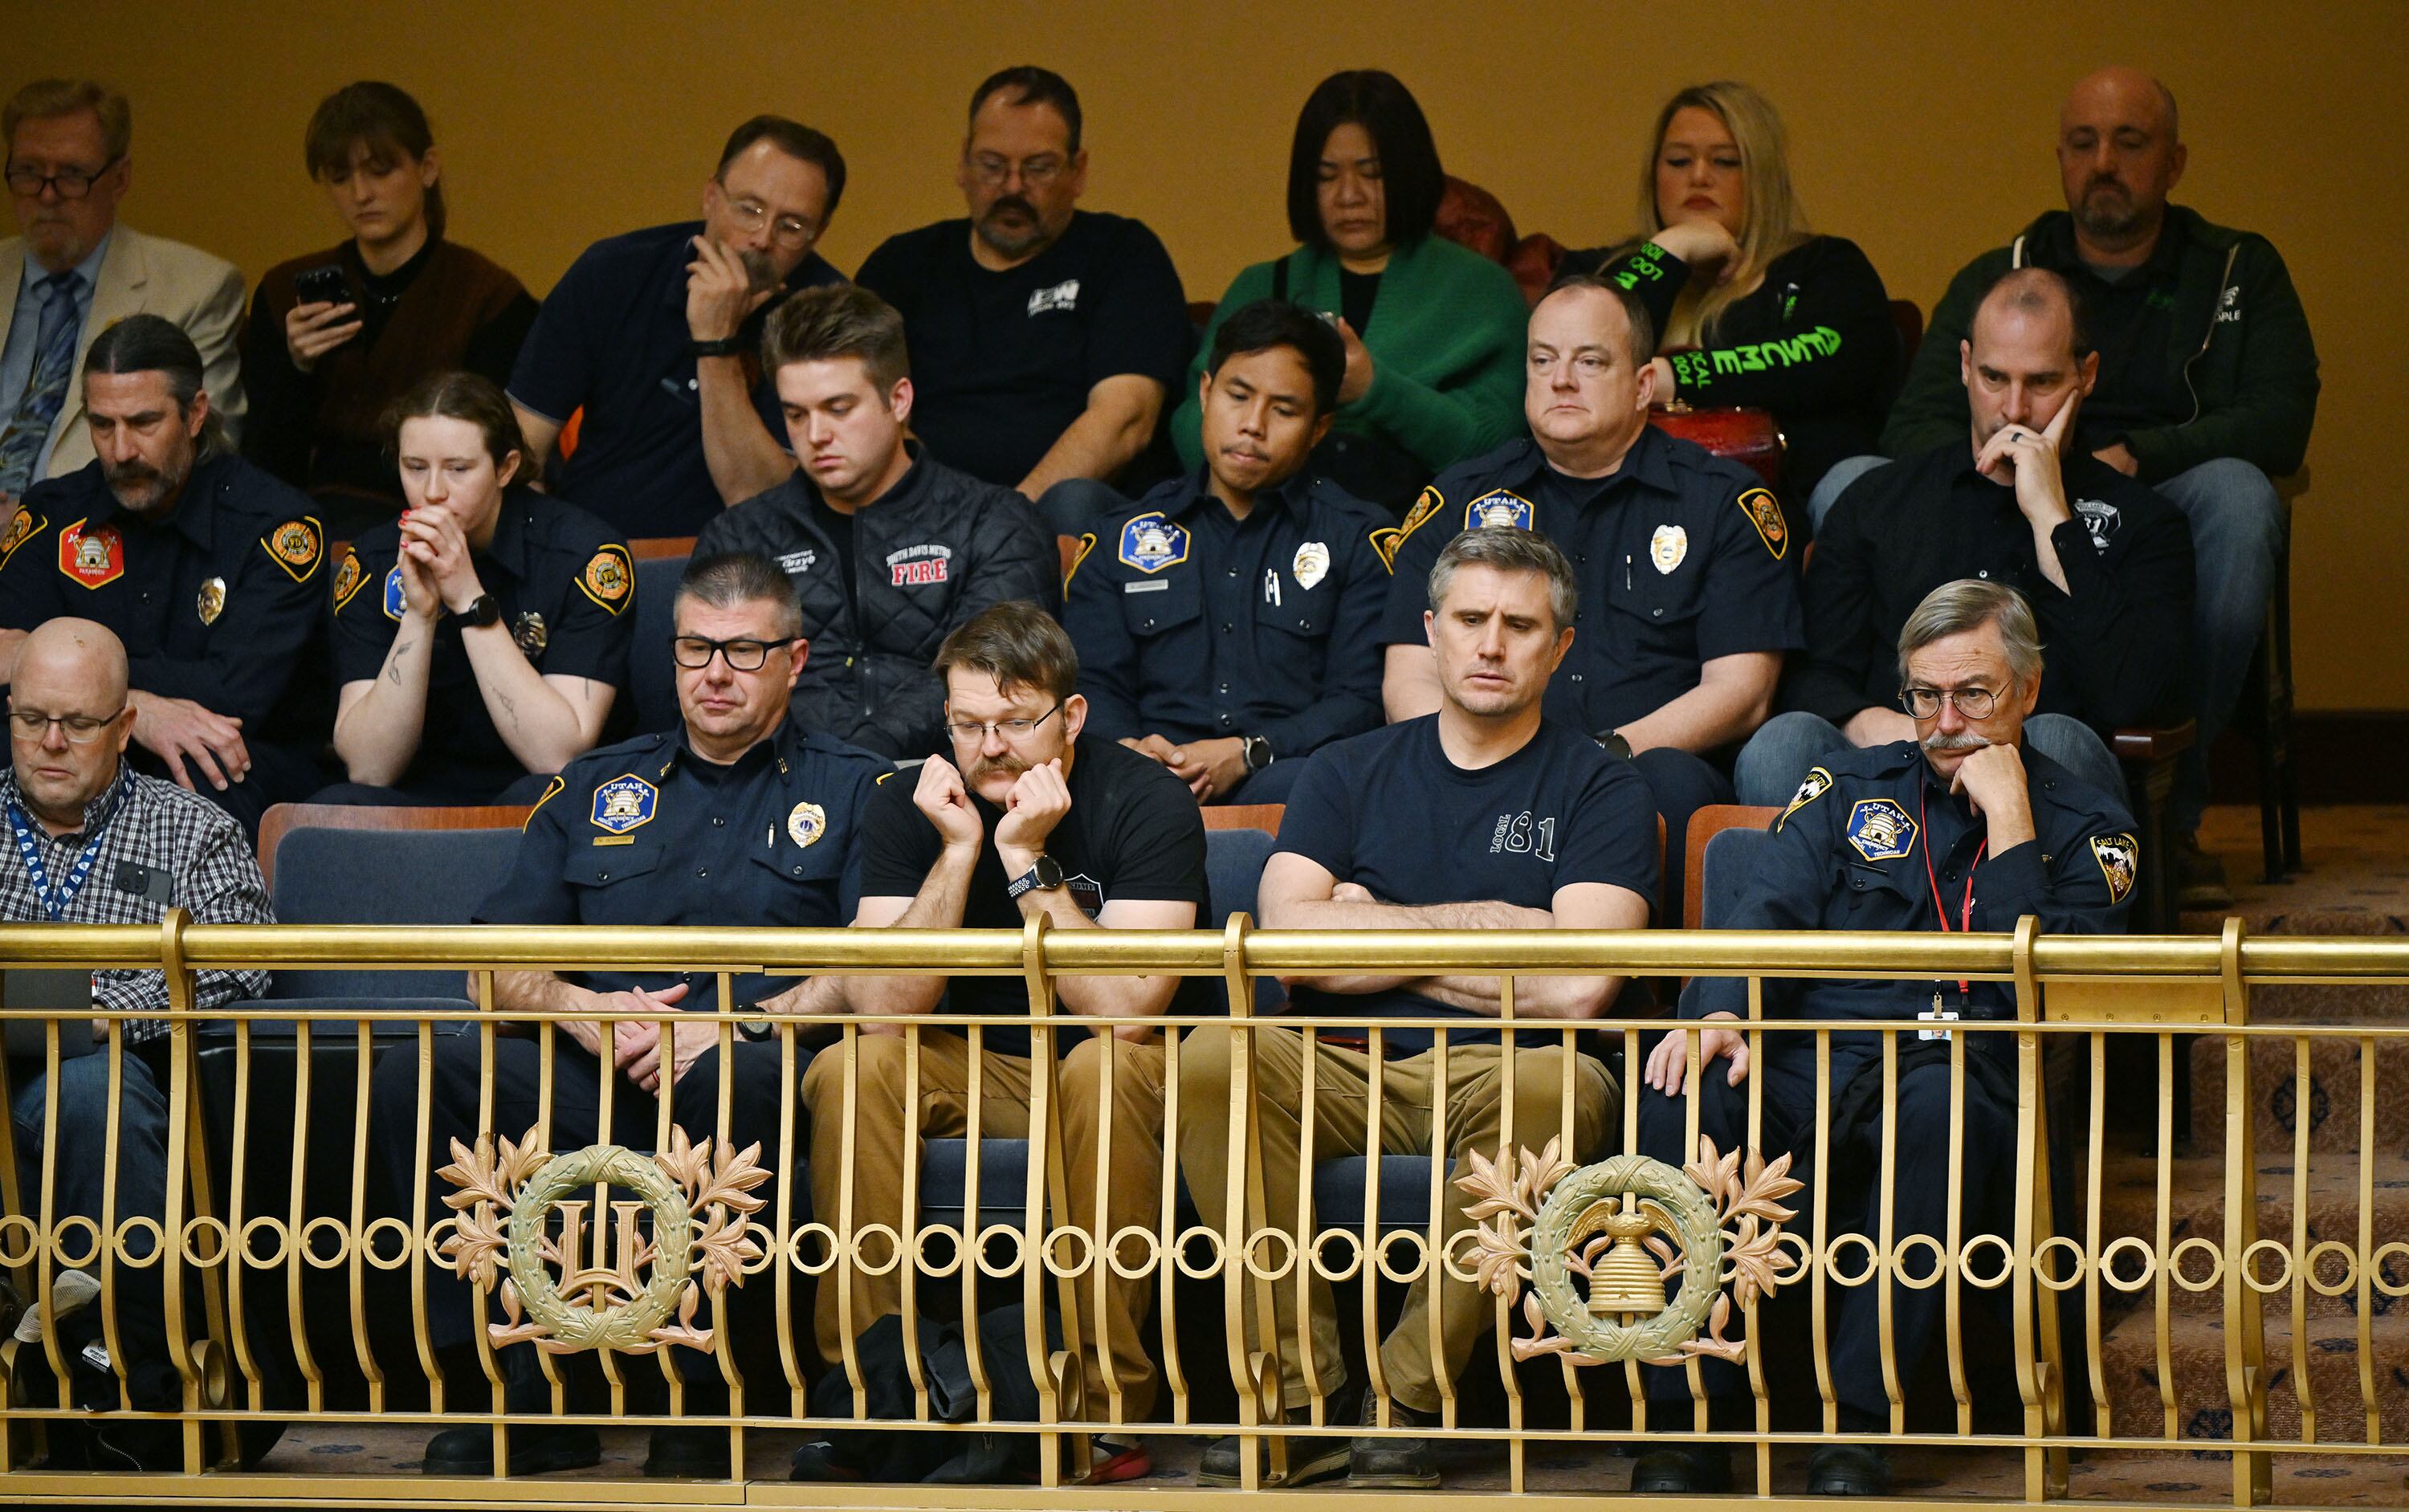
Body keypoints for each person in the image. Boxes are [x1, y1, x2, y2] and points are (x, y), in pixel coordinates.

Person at [369, 549, 887, 1481]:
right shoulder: (593, 785)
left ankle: (703, 1391)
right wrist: (587, 1010)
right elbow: (495, 956)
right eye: (695, 649)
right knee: (427, 1063)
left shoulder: (855, 787)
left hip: (756, 1065)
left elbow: (871, 967)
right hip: (593, 1062)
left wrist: (738, 1027)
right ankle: (517, 1387)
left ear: (797, 659)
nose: (715, 673)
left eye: (744, 651)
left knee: (745, 1076)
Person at [1629, 579, 2137, 1497]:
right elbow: (1762, 909)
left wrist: (2014, 820)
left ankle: (1856, 1422)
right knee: (1688, 1092)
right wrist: (1718, 1009)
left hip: (1971, 1056)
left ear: (2026, 690)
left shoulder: (2092, 828)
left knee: (1938, 1112)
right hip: (1815, 1046)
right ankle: (1689, 1417)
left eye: (1974, 693)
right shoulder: (1848, 787)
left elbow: (2059, 985)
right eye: (1924, 696)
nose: (1946, 722)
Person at [1180, 528, 1650, 1489]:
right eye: (1471, 619)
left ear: (1559, 648)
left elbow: (1579, 986)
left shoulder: (1602, 782)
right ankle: (1297, 1392)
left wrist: (1378, 931)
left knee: (1558, 1076)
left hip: (1500, 1067)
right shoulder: (1346, 770)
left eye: (1520, 625)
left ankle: (1409, 1394)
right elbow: (1286, 944)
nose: (1491, 644)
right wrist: (1504, 932)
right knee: (1215, 1052)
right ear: (1431, 631)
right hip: (1341, 1059)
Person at [1879, 67, 2317, 904]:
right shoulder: (2004, 271)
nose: (2105, 161)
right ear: (2059, 157)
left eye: (2131, 141)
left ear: (2176, 160)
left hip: (2158, 497)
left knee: (2238, 493)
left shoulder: (2235, 268)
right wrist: (2009, 456)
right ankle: (1922, 759)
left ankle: (2170, 794)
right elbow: (1910, 427)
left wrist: (2131, 459)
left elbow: (2282, 415)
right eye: (2084, 143)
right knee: (1858, 486)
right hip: (2008, 493)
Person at [797, 601, 1204, 1486]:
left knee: (1102, 1063)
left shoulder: (1148, 799)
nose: (991, 746)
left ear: (1073, 716)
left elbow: (1126, 1010)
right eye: (969, 723)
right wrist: (956, 854)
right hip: (977, 1058)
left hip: (1131, 1072)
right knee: (854, 1064)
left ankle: (1099, 1406)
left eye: (1018, 723)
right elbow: (881, 1010)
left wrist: (1027, 860)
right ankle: (872, 1395)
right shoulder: (912, 800)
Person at [1382, 273, 1801, 919]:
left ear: (1641, 386)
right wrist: (1478, 759)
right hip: (1478, 768)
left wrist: (1600, 757)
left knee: (1666, 784)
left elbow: (1743, 692)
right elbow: (1407, 673)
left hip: (1644, 768)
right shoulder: (1457, 502)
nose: (1561, 379)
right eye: (1543, 360)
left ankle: (1645, 995)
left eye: (1590, 361)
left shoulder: (1723, 503)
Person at [1738, 268, 2192, 807]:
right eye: (1994, 378)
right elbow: (1812, 674)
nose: (2015, 409)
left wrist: (2052, 519)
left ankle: (2016, 892)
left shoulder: (2146, 521)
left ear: (2086, 376)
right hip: (1893, 768)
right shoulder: (1879, 502)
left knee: (2061, 740)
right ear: (1964, 366)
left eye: (2042, 382)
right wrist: (1884, 727)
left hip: (2037, 785)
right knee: (1780, 743)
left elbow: (2128, 697)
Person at [2, 618, 270, 1471]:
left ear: (125, 726)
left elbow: (240, 964)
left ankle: (129, 1374)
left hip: (123, 1085)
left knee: (88, 1088)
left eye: (77, 723)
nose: (50, 741)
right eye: (30, 716)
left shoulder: (194, 830)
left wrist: (86, 1008)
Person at [692, 284, 1056, 758]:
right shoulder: (739, 538)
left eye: (839, 409)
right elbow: (714, 688)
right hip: (780, 784)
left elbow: (991, 677)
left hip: (950, 780)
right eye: (796, 414)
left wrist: (859, 763)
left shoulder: (996, 523)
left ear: (899, 400)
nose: (816, 435)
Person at [0, 316, 329, 838]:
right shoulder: (52, 513)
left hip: (240, 758)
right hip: (82, 742)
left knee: (207, 762)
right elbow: (5, 658)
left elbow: (234, 695)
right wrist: (138, 711)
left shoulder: (277, 525)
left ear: (196, 413)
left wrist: (83, 690)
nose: (122, 450)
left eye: (144, 422)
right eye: (102, 425)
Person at [1068, 299, 1389, 805]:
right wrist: (1130, 751)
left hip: (1283, 782)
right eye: (1237, 396)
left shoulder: (1358, 540)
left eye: (1283, 410)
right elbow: (1091, 682)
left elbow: (1362, 701)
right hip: (1140, 785)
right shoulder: (1119, 538)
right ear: (1205, 391)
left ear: (1319, 429)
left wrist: (1248, 752)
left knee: (1308, 785)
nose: (1253, 424)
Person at [854, 67, 1189, 536]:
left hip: (1062, 522)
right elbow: (859, 407)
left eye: (1039, 168)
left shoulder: (1122, 253)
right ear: (962, 165)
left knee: (1073, 503)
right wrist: (934, 514)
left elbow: (1124, 419)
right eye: (992, 165)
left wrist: (1003, 523)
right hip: (921, 518)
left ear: (1078, 172)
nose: (1013, 187)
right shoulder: (902, 267)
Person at [1172, 71, 1528, 511]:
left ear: (1409, 173)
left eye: (1372, 174)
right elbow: (1190, 426)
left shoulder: (1484, 291)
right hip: (1267, 526)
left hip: (1426, 534)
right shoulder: (1262, 284)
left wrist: (1376, 390)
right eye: (1326, 177)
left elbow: (1499, 446)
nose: (1348, 196)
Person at [1559, 81, 1897, 513]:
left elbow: (1833, 356)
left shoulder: (1825, 266)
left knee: (1863, 482)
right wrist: (1670, 251)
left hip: (1785, 505)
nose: (1699, 176)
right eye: (1679, 161)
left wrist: (1677, 375)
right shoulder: (1592, 272)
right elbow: (1580, 356)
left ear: (1762, 177)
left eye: (1726, 162)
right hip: (1617, 500)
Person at [507, 116, 847, 538]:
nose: (762, 238)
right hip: (593, 553)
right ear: (710, 197)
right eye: (749, 209)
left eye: (791, 226)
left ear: (819, 234)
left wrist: (716, 343)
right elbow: (519, 451)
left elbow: (765, 509)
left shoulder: (831, 314)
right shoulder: (614, 272)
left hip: (752, 570)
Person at [239, 81, 539, 533]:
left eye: (381, 171)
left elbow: (498, 457)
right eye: (340, 178)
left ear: (428, 167)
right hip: (304, 524)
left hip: (438, 522)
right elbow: (260, 461)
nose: (361, 194)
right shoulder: (282, 292)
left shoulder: (489, 298)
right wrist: (294, 367)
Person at [322, 373, 632, 804]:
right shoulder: (373, 562)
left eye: (459, 469)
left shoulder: (582, 556)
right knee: (340, 805)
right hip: (419, 791)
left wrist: (469, 600)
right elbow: (369, 768)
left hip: (536, 792)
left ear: (506, 468)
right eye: (414, 468)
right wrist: (420, 614)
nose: (432, 492)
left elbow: (556, 756)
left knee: (543, 796)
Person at [1, 79, 245, 506]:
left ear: (119, 180)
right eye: (28, 173)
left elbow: (201, 456)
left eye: (73, 175)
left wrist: (32, 523)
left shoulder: (196, 288)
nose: (48, 196)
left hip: (90, 543)